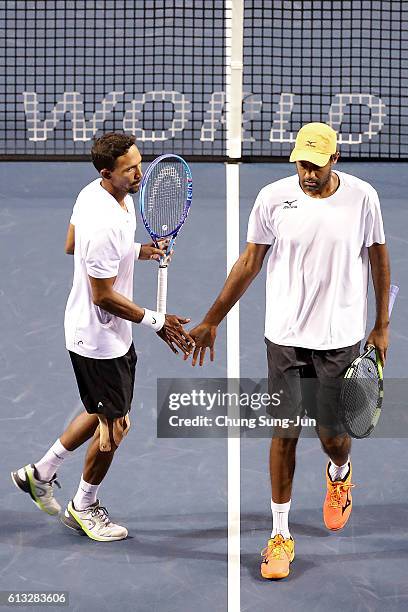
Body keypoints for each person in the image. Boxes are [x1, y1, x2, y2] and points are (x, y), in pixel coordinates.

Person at [186, 123, 390, 578]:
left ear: (335, 160)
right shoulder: (273, 198)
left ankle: (340, 474)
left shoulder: (363, 199)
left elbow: (379, 256)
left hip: (339, 338)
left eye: (316, 165)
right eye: (301, 162)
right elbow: (249, 261)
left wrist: (381, 326)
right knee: (284, 433)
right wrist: (211, 319)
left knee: (333, 438)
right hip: (284, 337)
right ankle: (280, 534)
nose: (308, 173)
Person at [11, 132, 194, 542]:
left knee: (99, 410)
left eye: (140, 163)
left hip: (106, 335)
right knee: (115, 426)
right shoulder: (106, 222)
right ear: (106, 172)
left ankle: (40, 473)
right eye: (130, 170)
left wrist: (142, 251)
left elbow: (70, 243)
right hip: (98, 340)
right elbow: (103, 295)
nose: (140, 174)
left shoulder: (97, 194)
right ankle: (84, 506)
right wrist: (157, 322)